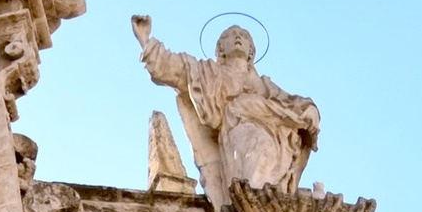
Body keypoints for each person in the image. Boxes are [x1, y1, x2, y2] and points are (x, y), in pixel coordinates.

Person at [131, 18, 319, 196]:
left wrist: (309, 111)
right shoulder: (206, 73)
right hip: (239, 132)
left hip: (275, 139)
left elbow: (292, 103)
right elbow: (173, 67)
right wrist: (145, 40)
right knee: (259, 148)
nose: (238, 37)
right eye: (231, 35)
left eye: (244, 36)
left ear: (251, 51)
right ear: (221, 49)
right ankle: (257, 200)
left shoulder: (264, 86)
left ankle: (267, 200)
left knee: (267, 153)